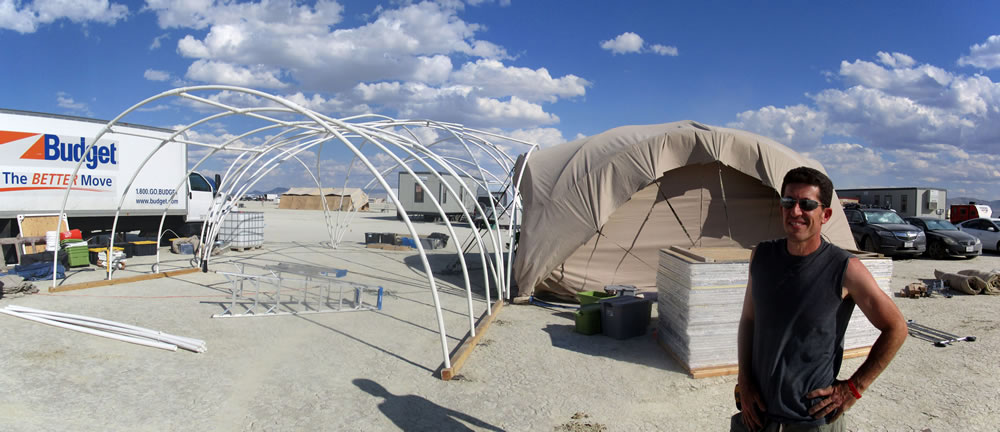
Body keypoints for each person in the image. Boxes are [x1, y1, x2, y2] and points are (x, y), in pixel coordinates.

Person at [732, 167, 907, 431]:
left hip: (811, 419)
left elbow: (897, 328)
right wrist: (744, 381)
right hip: (758, 414)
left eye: (807, 204)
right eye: (788, 202)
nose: (796, 211)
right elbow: (748, 320)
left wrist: (854, 388)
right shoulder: (762, 256)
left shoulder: (845, 268)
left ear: (825, 214)